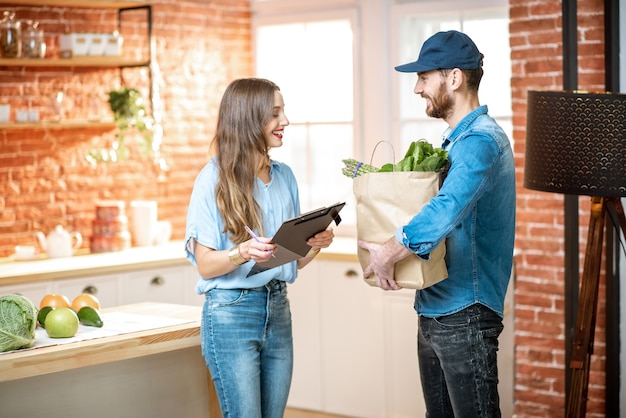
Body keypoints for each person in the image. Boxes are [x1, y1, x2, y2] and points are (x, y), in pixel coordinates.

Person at [359, 30, 515, 417]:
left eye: (424, 77)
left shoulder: (481, 141)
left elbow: (447, 208)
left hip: (465, 312)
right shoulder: (454, 142)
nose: (417, 89)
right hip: (434, 308)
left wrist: (389, 251)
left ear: (455, 78)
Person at [184, 77, 334, 418]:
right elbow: (205, 265)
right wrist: (242, 251)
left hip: (278, 309)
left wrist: (314, 246)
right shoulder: (212, 180)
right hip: (230, 315)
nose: (285, 122)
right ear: (249, 120)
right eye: (275, 114)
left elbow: (283, 260)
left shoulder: (285, 177)